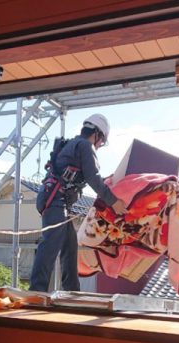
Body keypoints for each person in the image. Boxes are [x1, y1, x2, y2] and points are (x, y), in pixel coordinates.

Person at [30, 113, 128, 291]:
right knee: (50, 244)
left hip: (55, 200)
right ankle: (36, 290)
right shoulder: (85, 146)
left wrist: (105, 181)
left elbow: (87, 176)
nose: (100, 145)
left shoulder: (74, 144)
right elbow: (92, 177)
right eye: (102, 141)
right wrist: (114, 202)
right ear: (96, 134)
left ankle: (72, 291)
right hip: (56, 201)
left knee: (69, 246)